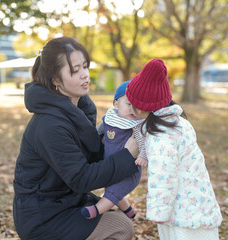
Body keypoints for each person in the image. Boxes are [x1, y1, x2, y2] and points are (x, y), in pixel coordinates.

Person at [12, 37, 140, 240]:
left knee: (116, 218)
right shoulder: (49, 124)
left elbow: (92, 159)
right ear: (55, 79)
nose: (85, 75)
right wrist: (128, 154)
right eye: (75, 70)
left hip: (67, 202)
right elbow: (81, 178)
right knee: (121, 226)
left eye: (85, 67)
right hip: (43, 219)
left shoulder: (79, 109)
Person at [125, 59, 223, 240]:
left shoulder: (160, 135)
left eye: (131, 103)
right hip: (199, 203)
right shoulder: (179, 123)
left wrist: (158, 212)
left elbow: (164, 175)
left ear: (141, 107)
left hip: (181, 214)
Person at [81, 80, 148, 220]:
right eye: (128, 104)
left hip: (130, 169)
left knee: (113, 192)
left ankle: (96, 210)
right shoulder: (110, 118)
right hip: (112, 164)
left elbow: (141, 140)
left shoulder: (136, 124)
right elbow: (99, 131)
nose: (132, 109)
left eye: (137, 106)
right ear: (116, 104)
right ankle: (129, 211)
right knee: (113, 189)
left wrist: (142, 155)